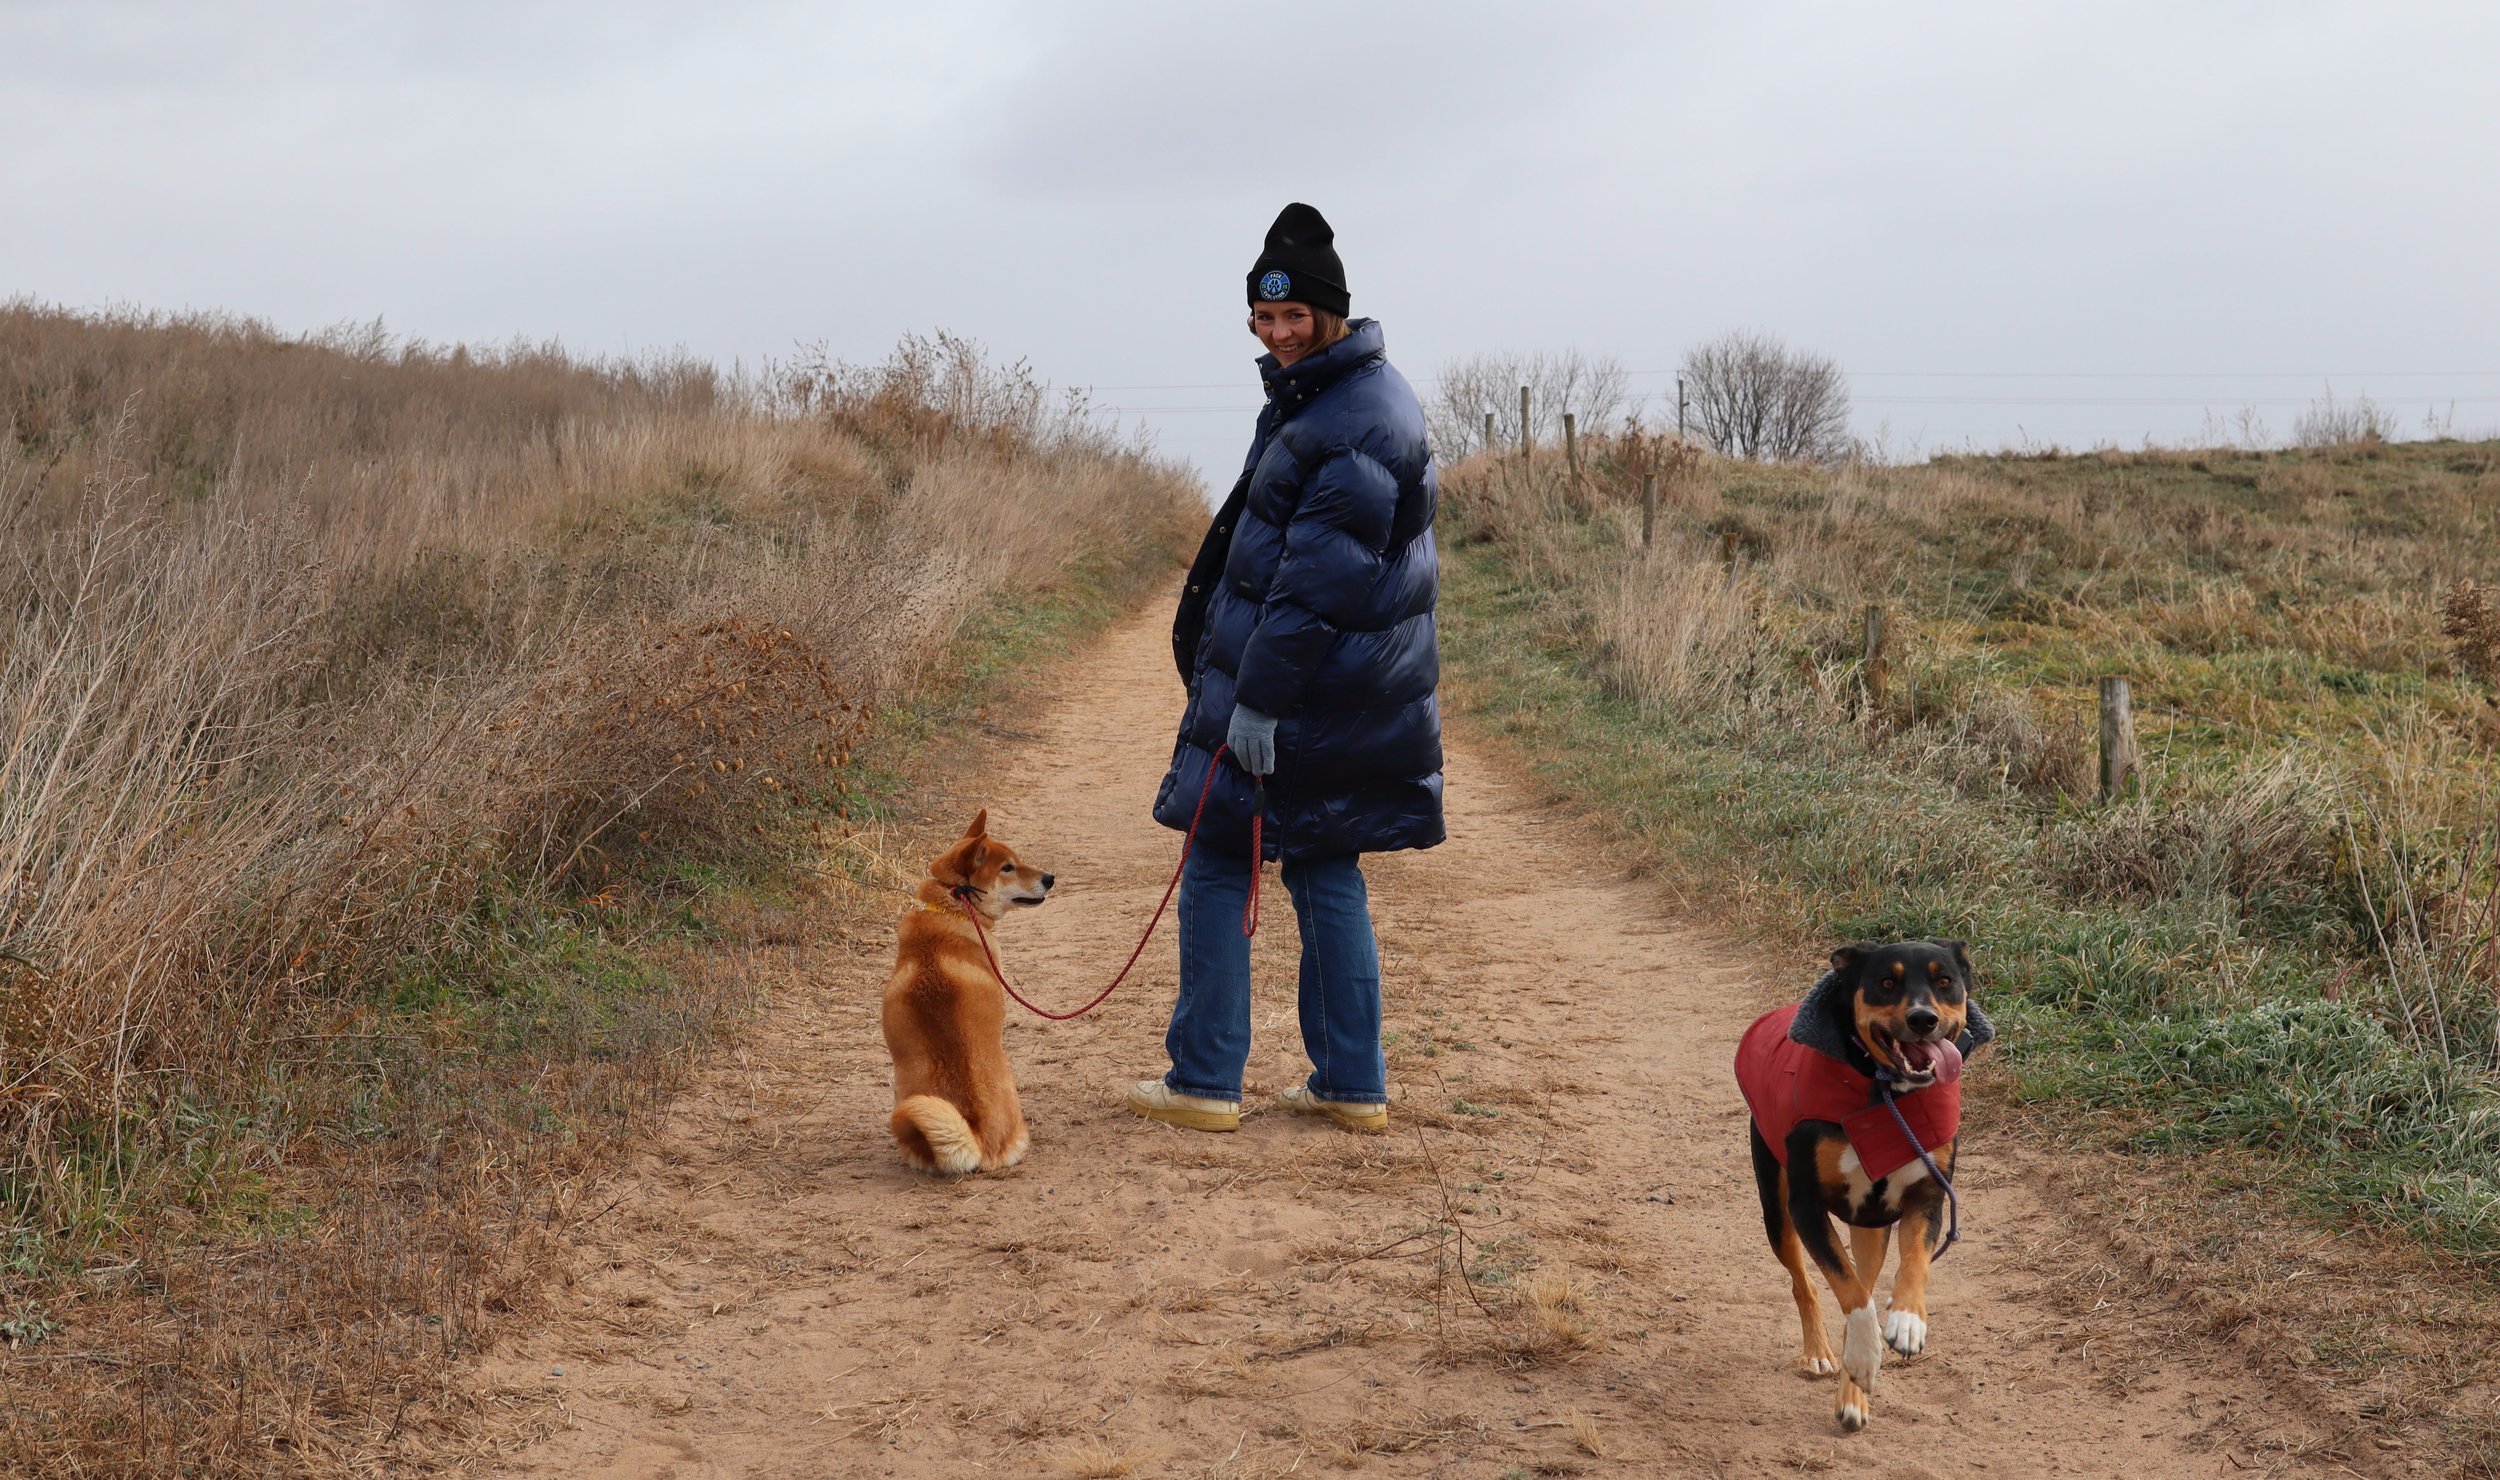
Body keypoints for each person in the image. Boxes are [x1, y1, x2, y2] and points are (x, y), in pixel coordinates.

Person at [1126, 202, 1443, 1136]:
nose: (1277, 334)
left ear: (1331, 313)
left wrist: (1257, 702)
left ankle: (1203, 1083)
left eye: (1293, 317)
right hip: (1337, 695)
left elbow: (1312, 590)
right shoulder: (1333, 398)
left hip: (1305, 695)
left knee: (1222, 862)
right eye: (1263, 321)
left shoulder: (1351, 418)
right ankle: (1351, 1084)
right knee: (1323, 866)